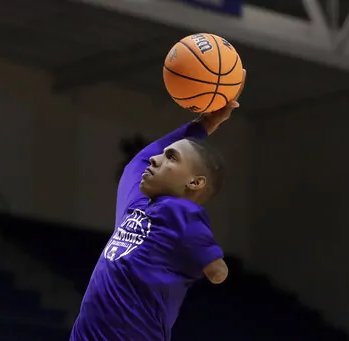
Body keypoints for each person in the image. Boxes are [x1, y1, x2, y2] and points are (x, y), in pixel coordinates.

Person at [69, 70, 247, 341]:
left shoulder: (183, 214)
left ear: (195, 182)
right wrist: (204, 123)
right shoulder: (137, 204)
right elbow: (140, 159)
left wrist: (209, 263)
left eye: (171, 158)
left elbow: (217, 271)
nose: (155, 160)